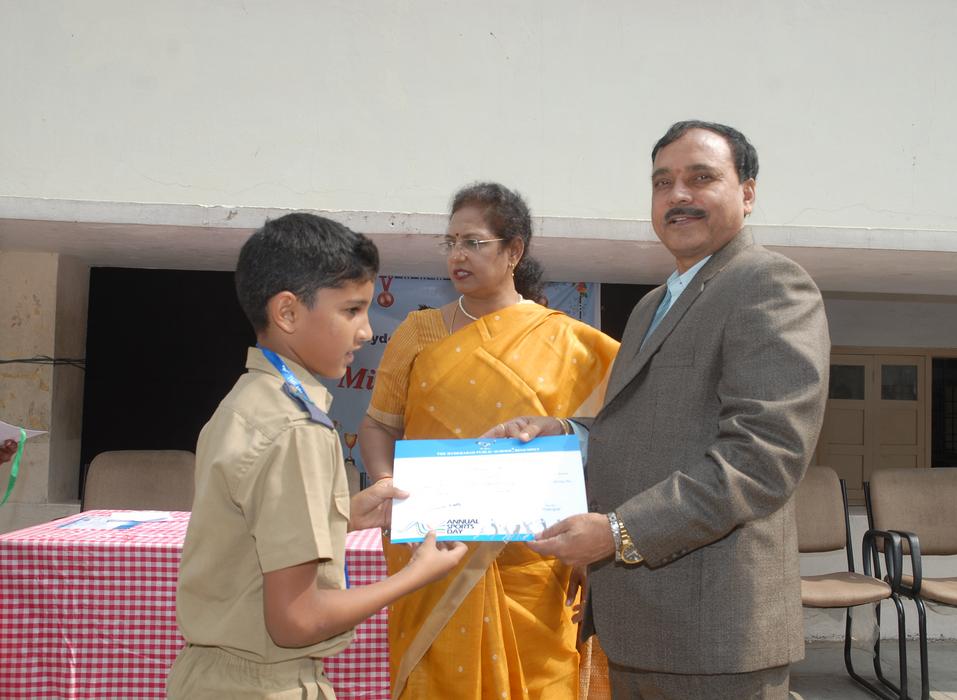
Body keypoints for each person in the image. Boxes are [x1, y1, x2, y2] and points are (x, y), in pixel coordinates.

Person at [496, 121, 831, 699]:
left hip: (713, 634)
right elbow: (650, 426)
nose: (678, 195)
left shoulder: (769, 284)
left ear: (748, 193)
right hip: (637, 626)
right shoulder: (652, 304)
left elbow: (762, 458)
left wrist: (619, 532)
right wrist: (568, 433)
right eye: (662, 182)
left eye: (701, 178)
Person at [169, 213, 467, 699]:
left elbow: (251, 532)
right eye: (351, 310)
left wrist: (342, 518)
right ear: (287, 313)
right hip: (266, 687)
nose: (366, 332)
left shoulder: (248, 401)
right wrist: (415, 577)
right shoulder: (297, 429)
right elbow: (296, 620)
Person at [358, 182, 620, 699]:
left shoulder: (569, 342)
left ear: (513, 250)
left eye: (473, 242)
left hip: (534, 564)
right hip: (432, 551)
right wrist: (387, 485)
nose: (457, 255)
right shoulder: (419, 332)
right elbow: (378, 424)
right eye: (451, 242)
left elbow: (617, 438)